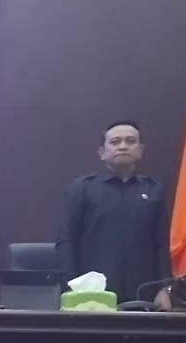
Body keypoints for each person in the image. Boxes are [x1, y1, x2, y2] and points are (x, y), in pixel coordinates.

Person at [58, 121, 173, 307]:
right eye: (115, 142)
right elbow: (66, 240)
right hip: (93, 293)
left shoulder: (153, 190)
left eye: (130, 141)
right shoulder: (83, 189)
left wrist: (165, 288)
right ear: (102, 152)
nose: (123, 146)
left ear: (140, 150)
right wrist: (72, 286)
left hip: (143, 291)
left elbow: (162, 243)